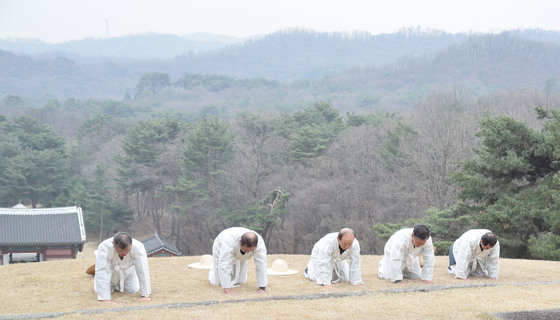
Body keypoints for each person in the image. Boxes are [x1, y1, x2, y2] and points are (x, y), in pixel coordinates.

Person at [94, 232, 151, 303]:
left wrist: (145, 295)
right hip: (110, 270)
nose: (124, 254)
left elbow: (143, 269)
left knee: (132, 290)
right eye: (120, 251)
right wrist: (105, 298)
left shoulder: (138, 247)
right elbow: (103, 270)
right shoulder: (104, 247)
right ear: (113, 244)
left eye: (127, 251)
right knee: (99, 290)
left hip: (128, 270)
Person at [209, 227, 267, 295]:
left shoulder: (259, 243)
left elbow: (261, 264)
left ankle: (237, 276)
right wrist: (227, 290)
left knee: (240, 281)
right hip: (220, 246)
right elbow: (224, 264)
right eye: (246, 249)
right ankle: (213, 272)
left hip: (241, 252)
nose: (248, 252)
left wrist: (262, 288)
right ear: (240, 242)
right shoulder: (229, 240)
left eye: (251, 250)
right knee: (218, 282)